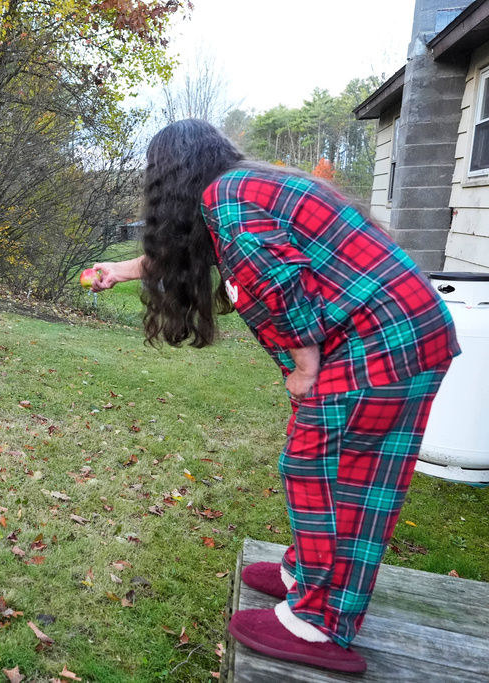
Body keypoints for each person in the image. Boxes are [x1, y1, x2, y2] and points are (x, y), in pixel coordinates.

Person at [91, 119, 459, 673]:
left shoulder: (231, 200)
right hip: (406, 330)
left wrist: (305, 362)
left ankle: (318, 622)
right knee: (351, 470)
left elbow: (277, 281)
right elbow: (197, 249)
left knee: (321, 469)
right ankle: (305, 575)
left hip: (379, 341)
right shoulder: (245, 186)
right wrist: (121, 269)